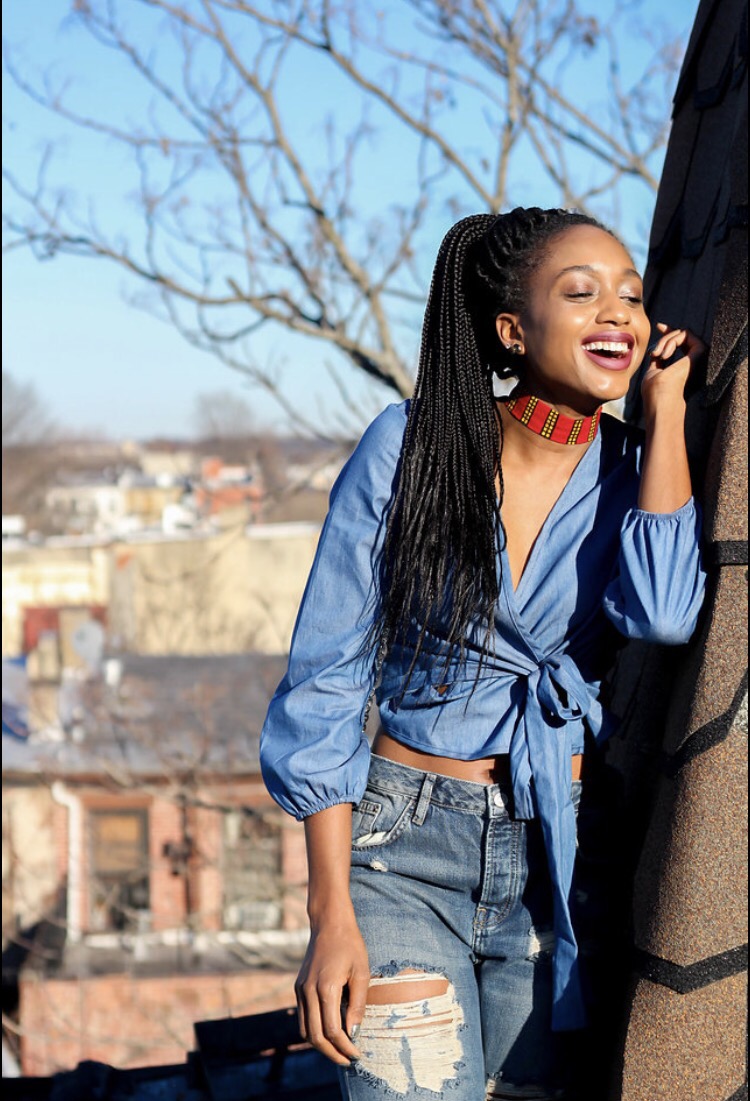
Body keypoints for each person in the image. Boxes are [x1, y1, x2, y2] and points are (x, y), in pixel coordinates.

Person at [260, 208, 706, 1100]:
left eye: (630, 296)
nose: (617, 313)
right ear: (512, 329)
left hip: (560, 858)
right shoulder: (409, 447)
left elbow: (662, 614)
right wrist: (328, 911)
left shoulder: (635, 469)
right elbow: (325, 682)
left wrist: (665, 420)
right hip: (401, 852)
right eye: (580, 292)